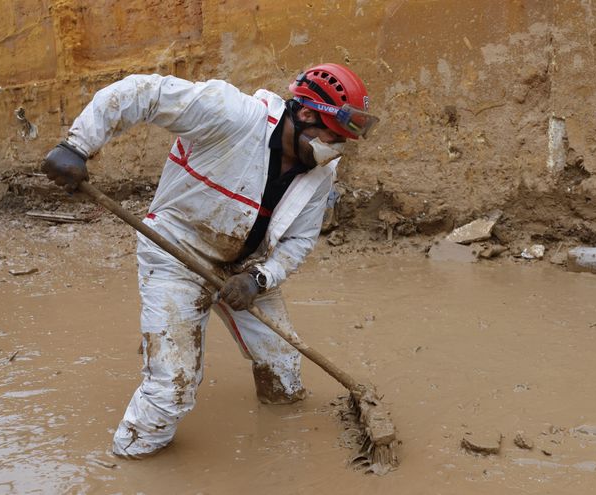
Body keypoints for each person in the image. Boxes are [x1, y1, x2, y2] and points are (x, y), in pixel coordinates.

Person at [41, 63, 378, 459]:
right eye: (333, 137)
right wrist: (77, 145)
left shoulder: (321, 173)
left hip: (246, 270)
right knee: (172, 389)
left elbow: (300, 240)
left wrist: (259, 279)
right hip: (176, 254)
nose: (335, 150)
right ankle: (131, 458)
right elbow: (143, 93)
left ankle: (281, 443)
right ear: (305, 114)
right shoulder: (232, 114)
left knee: (284, 372)